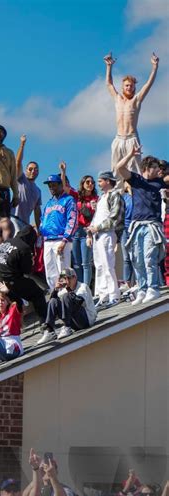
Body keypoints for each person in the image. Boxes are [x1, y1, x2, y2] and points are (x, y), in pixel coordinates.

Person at [116, 147, 166, 304]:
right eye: (156, 168)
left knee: (149, 257)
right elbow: (119, 168)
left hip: (152, 225)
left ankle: (153, 288)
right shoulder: (136, 180)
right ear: (147, 168)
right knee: (137, 259)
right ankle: (142, 289)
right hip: (137, 226)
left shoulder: (159, 183)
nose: (159, 170)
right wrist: (130, 155)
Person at [104, 51, 159, 183]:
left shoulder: (136, 100)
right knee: (116, 170)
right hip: (118, 138)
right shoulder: (117, 99)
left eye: (131, 86)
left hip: (131, 138)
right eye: (127, 85)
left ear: (134, 88)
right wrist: (109, 67)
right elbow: (109, 84)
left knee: (134, 170)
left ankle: (134, 194)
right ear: (123, 87)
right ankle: (117, 195)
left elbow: (148, 85)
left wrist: (154, 67)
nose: (129, 87)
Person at [0, 215, 47, 323]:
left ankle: (13, 329)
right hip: (8, 280)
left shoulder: (7, 242)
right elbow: (27, 271)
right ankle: (45, 323)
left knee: (15, 301)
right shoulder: (24, 247)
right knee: (37, 293)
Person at [86, 170, 124, 308]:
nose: (99, 183)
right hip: (97, 235)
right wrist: (90, 234)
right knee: (100, 266)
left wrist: (98, 228)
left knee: (108, 264)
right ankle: (103, 296)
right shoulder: (102, 197)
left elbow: (115, 218)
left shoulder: (115, 195)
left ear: (108, 181)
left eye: (101, 180)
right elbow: (97, 217)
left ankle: (114, 295)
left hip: (107, 234)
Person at [60, 163, 98, 286]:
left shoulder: (97, 198)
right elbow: (64, 187)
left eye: (92, 182)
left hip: (87, 231)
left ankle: (86, 288)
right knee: (76, 263)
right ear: (82, 184)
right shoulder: (77, 196)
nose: (90, 184)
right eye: (87, 182)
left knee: (86, 263)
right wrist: (63, 171)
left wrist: (95, 207)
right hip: (76, 231)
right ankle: (79, 287)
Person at [37, 267, 97, 344]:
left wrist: (68, 290)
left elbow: (79, 301)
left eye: (68, 278)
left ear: (75, 277)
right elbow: (52, 304)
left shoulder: (83, 286)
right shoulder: (65, 290)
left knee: (66, 296)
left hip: (86, 321)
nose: (67, 281)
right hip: (74, 323)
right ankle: (50, 331)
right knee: (54, 300)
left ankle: (66, 326)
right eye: (64, 279)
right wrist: (55, 290)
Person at [40, 174, 77, 289]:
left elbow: (72, 220)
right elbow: (43, 220)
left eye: (54, 185)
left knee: (63, 270)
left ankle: (67, 295)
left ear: (61, 185)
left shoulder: (68, 200)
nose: (52, 188)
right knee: (50, 271)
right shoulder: (49, 203)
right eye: (50, 186)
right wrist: (42, 230)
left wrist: (65, 239)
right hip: (48, 240)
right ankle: (55, 294)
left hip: (61, 239)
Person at [12, 135, 42, 228]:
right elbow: (17, 163)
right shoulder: (21, 179)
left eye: (36, 169)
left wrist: (39, 228)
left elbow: (37, 212)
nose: (33, 171)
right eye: (30, 169)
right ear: (26, 170)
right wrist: (22, 144)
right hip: (14, 218)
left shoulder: (38, 191)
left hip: (25, 223)